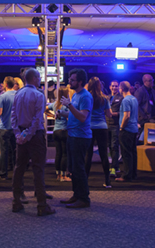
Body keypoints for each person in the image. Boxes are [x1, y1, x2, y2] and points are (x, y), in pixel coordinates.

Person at [10, 68, 55, 216]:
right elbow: (37, 120)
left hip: (21, 136)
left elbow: (13, 117)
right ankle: (42, 205)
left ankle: (16, 202)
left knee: (19, 169)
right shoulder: (38, 95)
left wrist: (19, 135)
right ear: (35, 78)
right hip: (35, 136)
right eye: (39, 77)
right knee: (38, 169)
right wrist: (28, 135)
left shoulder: (18, 94)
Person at [59, 68, 93, 209]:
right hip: (73, 135)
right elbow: (74, 115)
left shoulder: (85, 96)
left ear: (80, 81)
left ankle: (84, 198)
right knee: (73, 168)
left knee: (79, 168)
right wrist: (63, 113)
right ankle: (76, 195)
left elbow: (83, 117)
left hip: (80, 137)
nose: (69, 82)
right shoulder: (76, 95)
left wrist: (69, 105)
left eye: (72, 80)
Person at [85, 77, 112, 188]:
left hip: (89, 127)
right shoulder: (104, 98)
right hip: (102, 127)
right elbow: (109, 114)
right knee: (104, 154)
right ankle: (107, 181)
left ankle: (85, 181)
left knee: (88, 155)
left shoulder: (87, 98)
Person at [46, 87, 71, 182]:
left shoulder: (55, 104)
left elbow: (45, 109)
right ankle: (64, 176)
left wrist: (52, 116)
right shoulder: (66, 106)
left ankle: (58, 175)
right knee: (65, 154)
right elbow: (70, 117)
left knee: (58, 154)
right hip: (64, 131)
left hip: (55, 131)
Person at [0, 76, 17, 181]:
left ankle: (3, 174)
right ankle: (17, 173)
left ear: (6, 85)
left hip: (4, 127)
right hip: (16, 128)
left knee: (4, 151)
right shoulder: (18, 95)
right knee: (15, 151)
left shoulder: (2, 96)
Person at [116, 81, 139, 182]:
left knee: (126, 153)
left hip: (127, 129)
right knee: (133, 153)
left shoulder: (125, 100)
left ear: (121, 89)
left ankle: (126, 175)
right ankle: (133, 173)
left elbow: (127, 115)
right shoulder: (134, 99)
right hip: (134, 129)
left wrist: (121, 127)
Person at [106, 80, 123, 177]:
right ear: (110, 87)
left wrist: (115, 114)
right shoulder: (107, 97)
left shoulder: (121, 98)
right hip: (106, 124)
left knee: (114, 146)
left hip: (115, 125)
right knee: (109, 146)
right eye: (113, 86)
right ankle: (115, 166)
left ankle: (113, 167)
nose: (114, 88)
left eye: (116, 86)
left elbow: (124, 112)